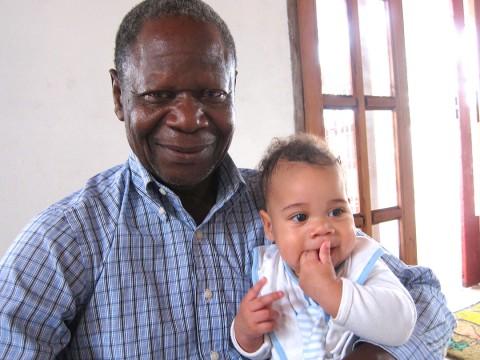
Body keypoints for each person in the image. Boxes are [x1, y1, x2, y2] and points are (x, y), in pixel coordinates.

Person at [0, 0, 455, 359]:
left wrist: (379, 355)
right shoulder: (63, 242)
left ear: (233, 88)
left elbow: (428, 302)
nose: (188, 119)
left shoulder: (289, 205)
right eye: (158, 94)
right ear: (120, 95)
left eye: (211, 94)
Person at [231, 134, 417, 359]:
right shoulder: (268, 272)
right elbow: (264, 353)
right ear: (269, 227)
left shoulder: (360, 260)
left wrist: (331, 290)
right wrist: (246, 335)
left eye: (336, 212)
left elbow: (402, 323)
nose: (322, 227)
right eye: (300, 217)